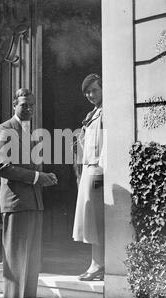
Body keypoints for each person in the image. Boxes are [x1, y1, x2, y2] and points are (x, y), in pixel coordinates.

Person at [0, 88, 58, 298]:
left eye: (31, 105)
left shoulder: (32, 133)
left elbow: (31, 167)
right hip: (16, 204)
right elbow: (1, 167)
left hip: (35, 203)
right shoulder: (3, 129)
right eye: (23, 105)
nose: (28, 109)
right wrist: (38, 177)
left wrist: (45, 177)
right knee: (16, 264)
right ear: (14, 105)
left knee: (31, 266)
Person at [73, 73, 105, 281]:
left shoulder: (106, 112)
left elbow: (107, 144)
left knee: (95, 220)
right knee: (90, 219)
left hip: (98, 171)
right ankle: (97, 263)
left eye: (94, 90)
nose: (91, 95)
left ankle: (98, 264)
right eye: (87, 93)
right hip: (88, 169)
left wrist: (102, 171)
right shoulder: (92, 114)